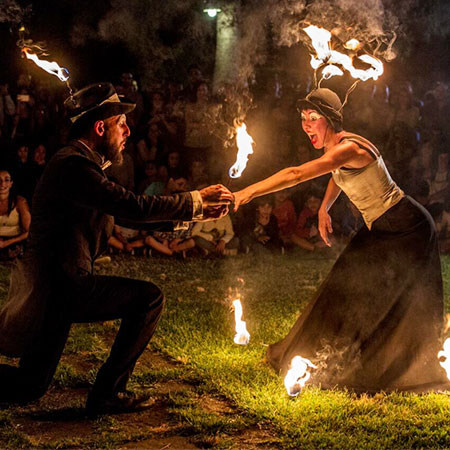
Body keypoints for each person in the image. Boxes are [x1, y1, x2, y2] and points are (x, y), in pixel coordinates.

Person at [0, 82, 233, 415]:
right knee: (149, 298)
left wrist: (196, 213)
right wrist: (194, 201)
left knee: (29, 386)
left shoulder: (82, 165)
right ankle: (108, 393)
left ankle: (106, 393)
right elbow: (132, 206)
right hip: (60, 287)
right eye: (120, 123)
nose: (128, 130)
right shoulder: (73, 165)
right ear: (100, 127)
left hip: (58, 290)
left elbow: (127, 215)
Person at [233, 88, 449, 393]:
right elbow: (337, 175)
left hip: (408, 227)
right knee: (342, 284)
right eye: (303, 119)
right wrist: (324, 207)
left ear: (331, 119)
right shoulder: (337, 148)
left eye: (313, 118)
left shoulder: (348, 148)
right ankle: (317, 355)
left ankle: (390, 366)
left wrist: (248, 192)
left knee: (395, 300)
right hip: (381, 227)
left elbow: (296, 174)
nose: (306, 125)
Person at [0, 169, 31, 260]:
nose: (2, 184)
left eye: (6, 180)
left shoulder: (20, 202)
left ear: (11, 183)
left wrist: (6, 243)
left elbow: (28, 232)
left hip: (14, 242)